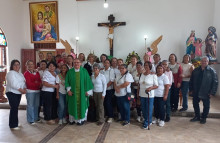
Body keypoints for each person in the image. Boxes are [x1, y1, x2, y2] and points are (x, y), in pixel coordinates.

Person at [189, 56, 218, 124]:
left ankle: (204, 117)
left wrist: (212, 92)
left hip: (206, 91)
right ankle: (197, 116)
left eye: (205, 61)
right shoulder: (195, 70)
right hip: (196, 90)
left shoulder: (212, 71)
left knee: (206, 106)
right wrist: (191, 89)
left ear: (208, 62)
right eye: (203, 61)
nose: (204, 62)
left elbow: (215, 82)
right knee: (195, 104)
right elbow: (191, 80)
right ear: (200, 62)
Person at [65, 58, 93, 125]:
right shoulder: (70, 72)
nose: (76, 64)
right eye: (75, 62)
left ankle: (80, 120)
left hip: (82, 93)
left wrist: (88, 91)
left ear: (80, 63)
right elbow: (67, 82)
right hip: (73, 93)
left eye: (78, 62)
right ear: (73, 63)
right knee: (72, 106)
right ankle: (72, 120)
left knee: (82, 106)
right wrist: (68, 90)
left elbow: (88, 82)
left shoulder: (84, 71)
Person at [6, 60, 26, 130]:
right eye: (15, 65)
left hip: (18, 93)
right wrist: (22, 90)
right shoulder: (11, 73)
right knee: (14, 108)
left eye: (18, 64)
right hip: (11, 92)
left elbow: (24, 82)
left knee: (16, 107)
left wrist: (25, 88)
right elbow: (13, 84)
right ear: (12, 66)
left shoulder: (20, 74)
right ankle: (13, 125)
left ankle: (15, 122)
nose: (17, 66)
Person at [139, 61, 158, 129]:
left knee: (148, 109)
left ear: (150, 67)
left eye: (147, 65)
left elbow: (156, 86)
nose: (146, 66)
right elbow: (140, 83)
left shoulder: (153, 75)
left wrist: (150, 88)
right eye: (145, 65)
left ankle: (147, 122)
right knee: (143, 109)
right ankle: (147, 120)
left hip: (149, 94)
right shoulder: (142, 74)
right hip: (142, 93)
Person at [24, 60, 41, 125]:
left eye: (32, 64)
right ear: (27, 66)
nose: (31, 66)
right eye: (29, 64)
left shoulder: (36, 73)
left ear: (34, 65)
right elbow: (29, 84)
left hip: (37, 91)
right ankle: (30, 119)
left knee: (36, 105)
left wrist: (36, 83)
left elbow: (39, 81)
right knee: (30, 105)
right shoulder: (26, 73)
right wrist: (36, 83)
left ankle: (36, 117)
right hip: (30, 91)